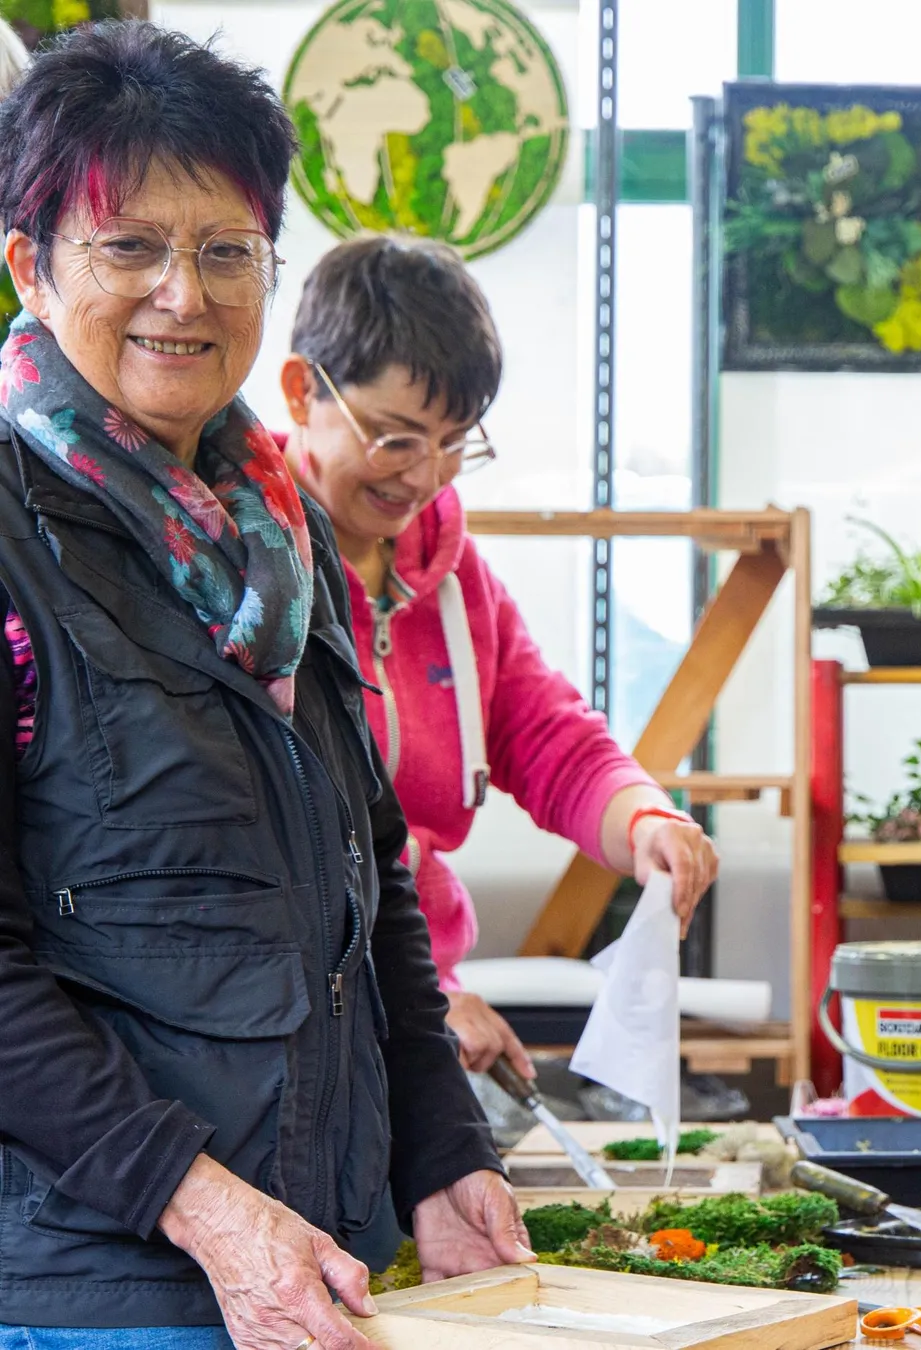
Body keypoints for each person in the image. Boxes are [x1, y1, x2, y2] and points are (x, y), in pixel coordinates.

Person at [0, 23, 529, 1350]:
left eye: (227, 249)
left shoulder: (282, 536)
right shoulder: (12, 534)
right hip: (93, 1292)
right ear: (31, 263)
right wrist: (202, 1206)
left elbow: (375, 884)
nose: (186, 291)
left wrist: (441, 1152)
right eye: (130, 246)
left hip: (316, 1265)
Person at [277, 234, 719, 1079]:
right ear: (303, 391)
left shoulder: (449, 577)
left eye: (453, 443)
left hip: (414, 996)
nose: (424, 475)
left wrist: (643, 819)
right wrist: (417, 1000)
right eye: (395, 437)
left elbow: (542, 728)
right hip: (297, 1012)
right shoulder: (245, 557)